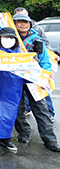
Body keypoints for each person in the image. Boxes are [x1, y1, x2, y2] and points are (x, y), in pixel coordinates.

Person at [10, 13, 60, 152]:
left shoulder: (37, 39)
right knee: (18, 108)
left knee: (41, 109)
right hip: (16, 79)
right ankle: (24, 133)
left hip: (34, 79)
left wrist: (45, 77)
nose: (23, 24)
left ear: (30, 24)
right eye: (19, 22)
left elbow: (45, 60)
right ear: (14, 24)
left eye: (26, 22)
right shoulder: (9, 38)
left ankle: (50, 140)